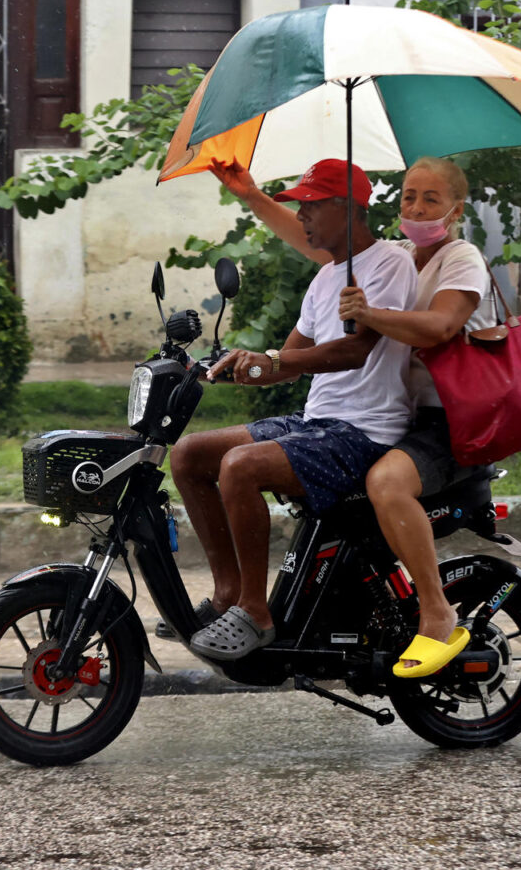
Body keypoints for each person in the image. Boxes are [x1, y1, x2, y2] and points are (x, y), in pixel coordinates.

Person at [212, 155, 495, 678]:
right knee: (203, 454)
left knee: (387, 482)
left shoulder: (460, 259)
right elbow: (316, 242)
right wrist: (252, 195)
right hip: (403, 417)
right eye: (409, 195)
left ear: (456, 210)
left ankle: (437, 612)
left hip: (450, 420)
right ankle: (236, 602)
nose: (416, 206)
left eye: (431, 198)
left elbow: (438, 327)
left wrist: (366, 315)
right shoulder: (402, 255)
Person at [169, 158, 417, 661]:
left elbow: (354, 351)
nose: (301, 218)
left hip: (363, 433)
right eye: (298, 208)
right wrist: (242, 365)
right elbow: (290, 360)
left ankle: (257, 615)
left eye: (310, 206)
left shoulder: (391, 263)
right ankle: (229, 596)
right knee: (190, 455)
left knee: (239, 466)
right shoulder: (326, 278)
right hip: (316, 424)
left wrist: (276, 359)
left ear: (347, 208)